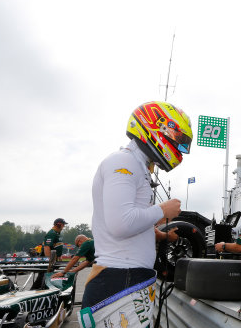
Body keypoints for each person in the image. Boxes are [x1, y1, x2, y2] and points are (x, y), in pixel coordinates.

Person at [82, 101, 192, 308]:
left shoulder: (135, 164)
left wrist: (160, 235)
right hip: (119, 277)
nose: (181, 149)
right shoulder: (123, 162)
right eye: (178, 139)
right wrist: (163, 210)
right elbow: (121, 224)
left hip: (127, 277)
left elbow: (129, 221)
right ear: (157, 127)